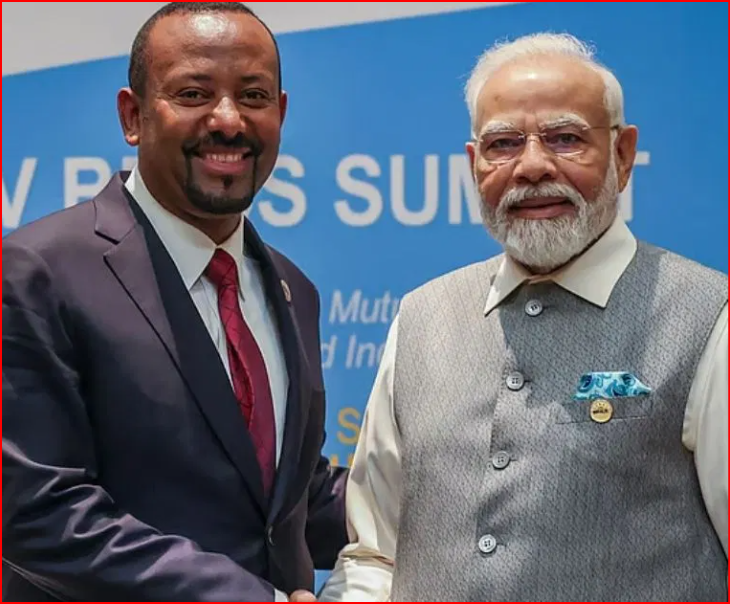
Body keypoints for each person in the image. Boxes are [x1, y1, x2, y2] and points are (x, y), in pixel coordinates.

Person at [320, 33, 728, 602]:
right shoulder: (421, 317)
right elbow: (375, 554)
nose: (532, 166)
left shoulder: (709, 317)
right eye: (504, 144)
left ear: (623, 154)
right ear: (473, 164)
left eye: (566, 139)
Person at [2, 3, 347, 601]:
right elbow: (37, 511)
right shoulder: (35, 273)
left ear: (281, 114)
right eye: (193, 94)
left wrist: (448, 502)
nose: (228, 120)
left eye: (254, 96)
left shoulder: (295, 290)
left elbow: (290, 498)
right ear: (132, 116)